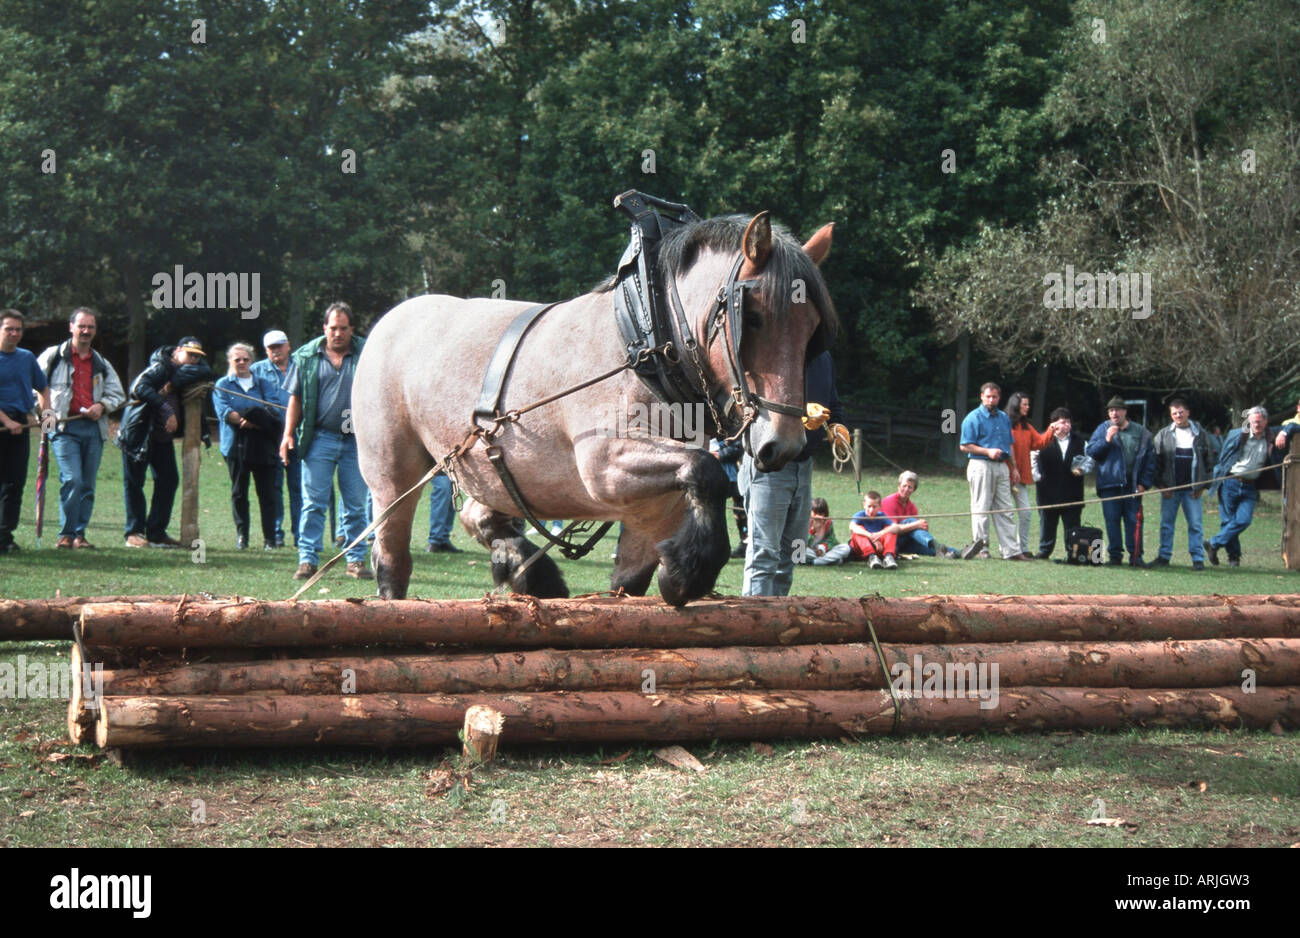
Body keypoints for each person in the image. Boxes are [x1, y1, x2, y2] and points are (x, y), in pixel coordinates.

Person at [740, 349, 846, 595]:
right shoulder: (772, 349)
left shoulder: (824, 358)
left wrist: (837, 425)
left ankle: (776, 623)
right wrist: (800, 418)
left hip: (804, 467)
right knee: (764, 554)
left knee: (791, 555)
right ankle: (752, 627)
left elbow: (833, 403)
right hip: (769, 465)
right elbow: (750, 406)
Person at [280, 302, 372, 580]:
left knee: (356, 505)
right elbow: (295, 399)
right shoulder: (307, 356)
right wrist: (287, 434)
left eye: (344, 328)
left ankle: (355, 561)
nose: (338, 333)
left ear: (351, 329)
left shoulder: (368, 352)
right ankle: (307, 560)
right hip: (319, 437)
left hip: (356, 440)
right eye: (333, 328)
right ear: (325, 328)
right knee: (313, 503)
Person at [36, 307, 125, 549]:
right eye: (81, 326)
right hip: (64, 429)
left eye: (91, 327)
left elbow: (118, 393)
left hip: (94, 430)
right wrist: (47, 418)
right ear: (71, 327)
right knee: (72, 479)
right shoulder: (53, 356)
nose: (86, 331)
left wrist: (103, 405)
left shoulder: (101, 363)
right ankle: (65, 534)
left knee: (87, 484)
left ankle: (79, 535)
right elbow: (35, 387)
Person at [116, 337, 213, 547]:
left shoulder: (182, 372)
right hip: (139, 433)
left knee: (169, 480)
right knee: (134, 483)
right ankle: (133, 533)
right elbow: (139, 388)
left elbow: (206, 370)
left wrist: (175, 382)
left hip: (161, 438)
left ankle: (156, 532)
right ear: (177, 351)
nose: (193, 361)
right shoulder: (160, 367)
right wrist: (166, 409)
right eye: (189, 355)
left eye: (197, 357)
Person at [1204, 407, 1299, 567]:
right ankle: (1234, 558)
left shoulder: (1272, 434)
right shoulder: (1236, 435)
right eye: (1254, 421)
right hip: (1230, 482)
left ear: (1266, 421)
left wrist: (1284, 432)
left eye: (1260, 421)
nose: (1257, 424)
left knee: (1244, 520)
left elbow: (1296, 426)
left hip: (1250, 485)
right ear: (1248, 421)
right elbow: (1223, 458)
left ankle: (1213, 543)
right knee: (1228, 522)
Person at [213, 343, 284, 550]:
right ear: (230, 362)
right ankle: (242, 536)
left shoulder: (263, 384)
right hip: (236, 447)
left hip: (263, 446)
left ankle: (270, 539)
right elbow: (225, 412)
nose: (242, 363)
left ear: (251, 361)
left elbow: (273, 410)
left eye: (245, 359)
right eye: (237, 360)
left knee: (268, 494)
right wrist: (252, 416)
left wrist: (247, 417)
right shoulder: (222, 384)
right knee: (239, 493)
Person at [958, 382, 1027, 560]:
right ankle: (982, 548)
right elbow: (964, 446)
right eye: (988, 396)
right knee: (981, 507)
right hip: (980, 464)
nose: (991, 399)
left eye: (994, 397)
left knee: (1006, 508)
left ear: (999, 397)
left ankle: (1010, 551)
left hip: (1002, 466)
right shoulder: (973, 418)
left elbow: (1009, 444)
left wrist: (1014, 467)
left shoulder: (1004, 418)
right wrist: (987, 451)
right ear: (981, 396)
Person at [0, 310, 49, 554]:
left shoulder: (26, 357)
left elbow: (42, 387)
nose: (14, 333)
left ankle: (5, 535)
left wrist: (46, 415)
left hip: (19, 424)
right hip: (2, 423)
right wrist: (6, 421)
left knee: (14, 483)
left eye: (18, 329)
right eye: (9, 328)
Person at [1085, 396, 1154, 566]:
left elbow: (1150, 460)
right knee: (1112, 522)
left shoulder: (1141, 432)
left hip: (1133, 486)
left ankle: (1136, 557)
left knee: (1134, 522)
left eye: (1117, 410)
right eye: (1111, 410)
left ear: (1125, 411)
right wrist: (1106, 440)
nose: (1114, 413)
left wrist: (1144, 483)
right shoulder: (1103, 429)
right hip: (1110, 486)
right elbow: (1092, 451)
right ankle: (1115, 557)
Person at [1150, 399, 1213, 569]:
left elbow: (1209, 462)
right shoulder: (1163, 435)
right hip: (1170, 490)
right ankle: (1164, 557)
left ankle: (1198, 559)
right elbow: (1154, 463)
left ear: (1188, 413)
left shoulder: (1200, 434)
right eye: (1174, 413)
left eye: (1181, 412)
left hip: (1192, 490)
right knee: (1166, 524)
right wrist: (1162, 487)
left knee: (1195, 525)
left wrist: (1203, 486)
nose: (1178, 416)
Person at [251, 329, 299, 548]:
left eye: (279, 346)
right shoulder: (256, 371)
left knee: (299, 487)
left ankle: (300, 534)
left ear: (288, 346)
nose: (276, 351)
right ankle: (276, 532)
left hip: (299, 435)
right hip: (271, 438)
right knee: (274, 487)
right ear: (266, 350)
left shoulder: (301, 365)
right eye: (271, 348)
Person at [1005, 391, 1058, 559]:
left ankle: (1023, 547)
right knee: (1007, 514)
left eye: (1028, 404)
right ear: (1016, 406)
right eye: (1024, 405)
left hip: (1021, 477)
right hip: (1004, 477)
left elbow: (1039, 443)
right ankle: (1007, 548)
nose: (1028, 408)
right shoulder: (1005, 423)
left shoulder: (1026, 426)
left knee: (1026, 512)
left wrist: (1051, 430)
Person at [1032, 407, 1087, 559]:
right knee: (1047, 523)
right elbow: (1033, 459)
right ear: (1053, 424)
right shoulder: (1042, 439)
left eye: (1068, 422)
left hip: (1072, 491)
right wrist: (1037, 476)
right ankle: (1044, 551)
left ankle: (1073, 552)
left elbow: (1088, 460)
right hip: (1047, 491)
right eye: (1062, 422)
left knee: (1072, 524)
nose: (1066, 425)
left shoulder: (1080, 441)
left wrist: (1082, 469)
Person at [880, 470, 962, 559]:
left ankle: (959, 552)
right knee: (910, 521)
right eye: (904, 486)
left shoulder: (912, 507)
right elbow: (892, 529)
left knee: (927, 548)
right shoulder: (889, 501)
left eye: (910, 487)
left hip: (905, 543)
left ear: (913, 490)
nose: (906, 489)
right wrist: (916, 525)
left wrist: (922, 528)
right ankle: (937, 545)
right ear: (899, 486)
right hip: (890, 541)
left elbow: (915, 530)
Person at [709, 436, 748, 557]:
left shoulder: (729, 427)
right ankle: (713, 547)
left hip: (732, 478)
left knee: (741, 512)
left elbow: (738, 447)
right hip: (709, 477)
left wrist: (719, 455)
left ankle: (745, 543)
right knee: (712, 514)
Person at [426, 472, 462, 553]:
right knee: (443, 489)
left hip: (451, 466)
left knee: (453, 492)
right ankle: (434, 541)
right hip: (436, 464)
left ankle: (443, 539)